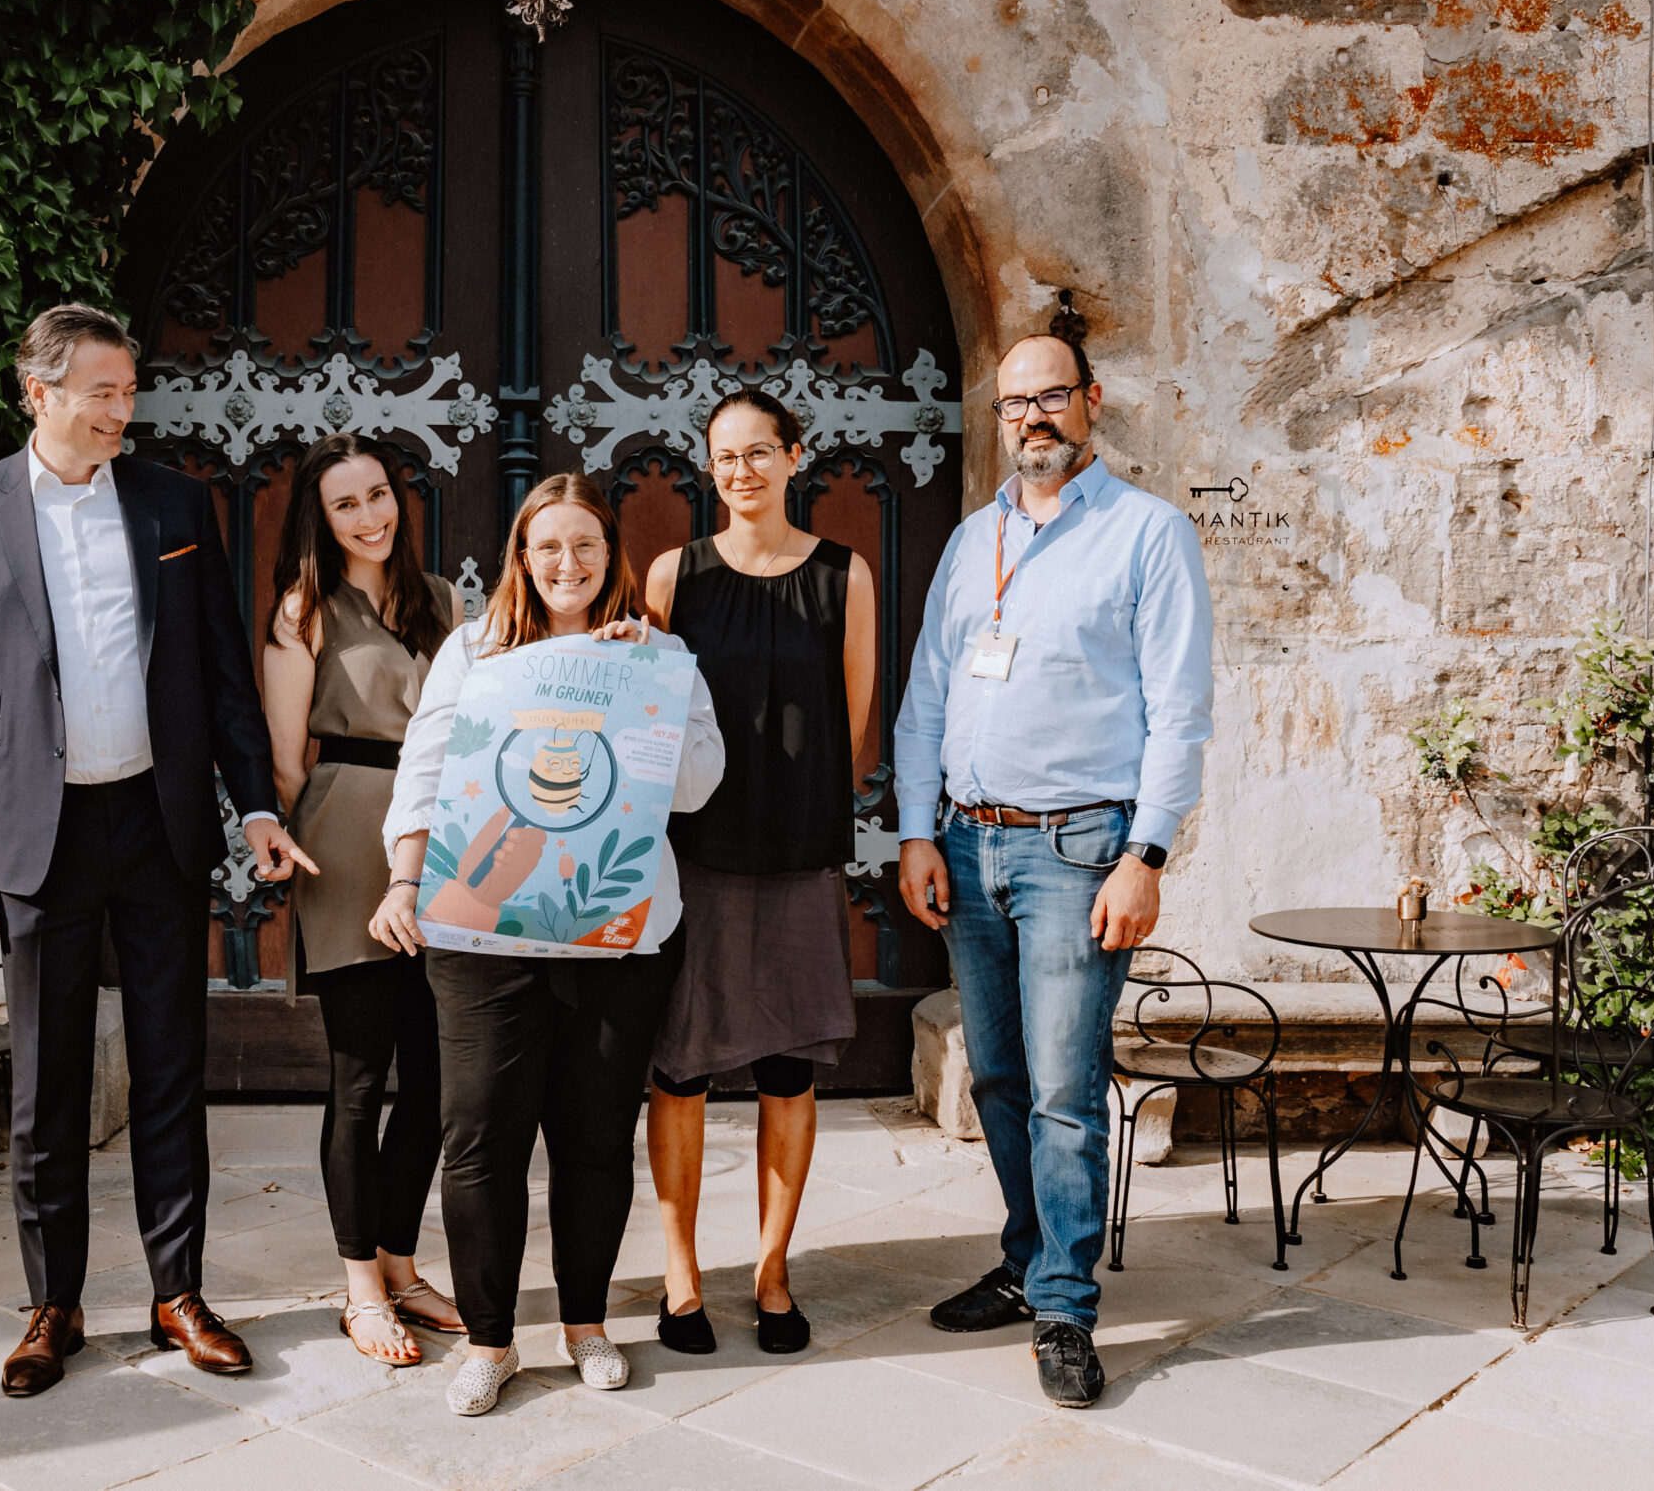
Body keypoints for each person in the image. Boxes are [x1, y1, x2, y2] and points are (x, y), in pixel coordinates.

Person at [0, 303, 318, 1398]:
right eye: (104, 392)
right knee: (46, 1084)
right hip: (35, 837)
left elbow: (223, 673)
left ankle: (177, 1290)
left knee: (170, 1068)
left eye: (128, 391)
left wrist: (255, 807)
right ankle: (52, 1304)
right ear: (38, 390)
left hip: (158, 822)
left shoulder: (175, 502)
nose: (122, 410)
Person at [893, 328, 1214, 1408]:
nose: (1032, 416)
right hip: (968, 839)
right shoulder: (970, 539)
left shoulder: (1147, 534)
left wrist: (1146, 852)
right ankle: (1028, 1256)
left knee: (1066, 1090)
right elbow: (927, 693)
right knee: (993, 1076)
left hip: (1080, 849)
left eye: (1051, 396)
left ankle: (1067, 1306)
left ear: (1090, 399)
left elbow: (1179, 708)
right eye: (1014, 402)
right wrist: (914, 830)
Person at [371, 475, 725, 1416]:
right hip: (484, 933)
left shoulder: (660, 653)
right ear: (522, 559)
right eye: (548, 547)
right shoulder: (475, 649)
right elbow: (427, 768)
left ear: (612, 556)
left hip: (618, 933)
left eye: (587, 547)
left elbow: (691, 787)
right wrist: (404, 879)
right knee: (480, 1136)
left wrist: (648, 678)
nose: (568, 565)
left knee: (597, 1138)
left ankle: (586, 1326)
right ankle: (490, 1341)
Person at [637, 390, 876, 1357]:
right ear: (710, 469)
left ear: (795, 457)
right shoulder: (673, 574)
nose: (741, 472)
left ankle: (774, 1271)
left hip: (797, 853)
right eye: (724, 458)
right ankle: (681, 1271)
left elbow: (854, 717)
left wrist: (804, 800)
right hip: (695, 855)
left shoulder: (842, 574)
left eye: (759, 454)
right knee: (679, 1070)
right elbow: (645, 709)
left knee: (788, 1071)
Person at [259, 433, 466, 1365]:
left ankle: (401, 1260)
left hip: (443, 848)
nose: (370, 516)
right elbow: (285, 756)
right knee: (358, 1082)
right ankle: (358, 1289)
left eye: (378, 495)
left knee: (434, 1082)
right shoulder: (303, 611)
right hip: (345, 845)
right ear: (321, 517)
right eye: (346, 504)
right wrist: (297, 847)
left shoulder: (447, 604)